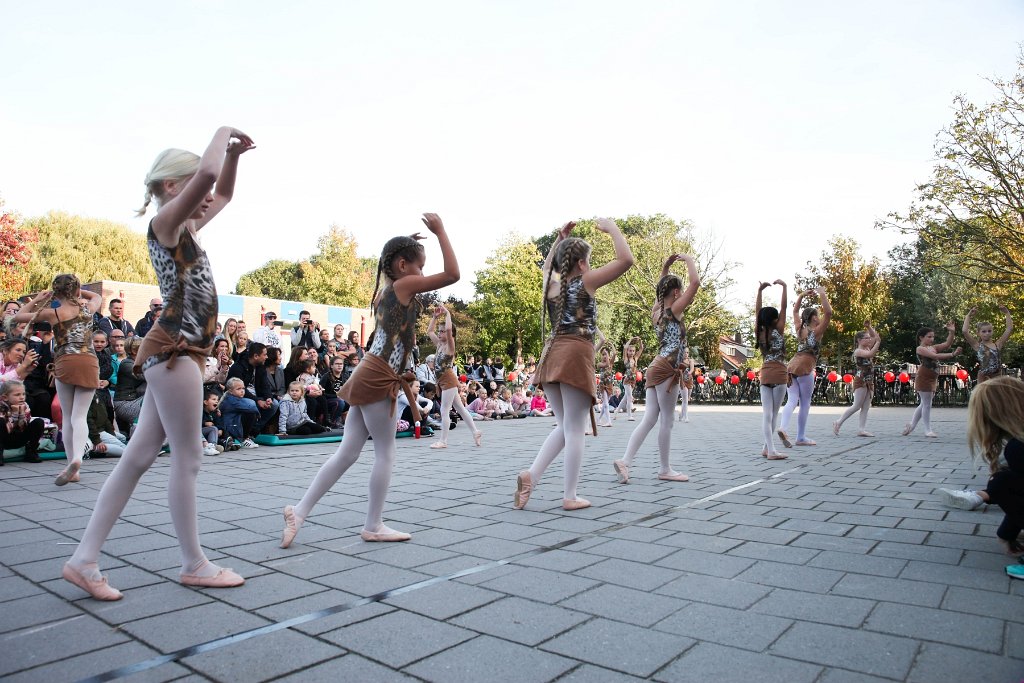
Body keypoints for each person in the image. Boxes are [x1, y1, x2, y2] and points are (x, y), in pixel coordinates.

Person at [63, 126, 255, 601]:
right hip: (175, 350)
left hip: (177, 351)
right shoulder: (165, 225)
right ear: (173, 187)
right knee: (188, 457)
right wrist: (221, 135)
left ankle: (83, 559)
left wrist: (235, 157)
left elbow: (222, 187)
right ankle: (195, 564)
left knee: (138, 457)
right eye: (194, 186)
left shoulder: (186, 227)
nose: (204, 194)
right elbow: (209, 173)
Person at [282, 213, 459, 547]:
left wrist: (402, 251)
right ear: (403, 265)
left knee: (348, 452)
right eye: (419, 267)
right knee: (385, 453)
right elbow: (453, 274)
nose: (422, 274)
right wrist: (441, 231)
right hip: (379, 375)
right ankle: (373, 524)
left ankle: (300, 510)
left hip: (371, 370)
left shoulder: (386, 291)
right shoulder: (404, 285)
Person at [515, 219, 633, 511]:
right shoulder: (585, 282)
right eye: (589, 261)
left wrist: (559, 239)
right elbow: (625, 260)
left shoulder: (552, 286)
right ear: (581, 264)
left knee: (565, 426)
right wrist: (613, 229)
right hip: (575, 354)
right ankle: (570, 495)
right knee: (576, 429)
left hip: (551, 355)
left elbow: (546, 268)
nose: (591, 266)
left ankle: (532, 475)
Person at [612, 254, 698, 486]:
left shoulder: (658, 312)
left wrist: (666, 267)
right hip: (667, 368)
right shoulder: (674, 310)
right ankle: (665, 468)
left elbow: (662, 292)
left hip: (655, 366)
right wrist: (688, 260)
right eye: (679, 290)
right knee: (667, 421)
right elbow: (696, 284)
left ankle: (625, 461)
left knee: (650, 418)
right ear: (677, 293)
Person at [14, 275, 103, 485]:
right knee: (80, 416)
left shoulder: (53, 312)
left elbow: (19, 316)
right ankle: (78, 460)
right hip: (89, 361)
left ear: (57, 292)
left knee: (69, 415)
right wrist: (81, 292)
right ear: (77, 290)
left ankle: (73, 464)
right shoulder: (88, 308)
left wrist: (39, 298)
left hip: (65, 361)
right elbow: (97, 295)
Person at [938, 377, 1024, 571]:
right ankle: (978, 496)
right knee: (1004, 480)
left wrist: (1007, 532)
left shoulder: (1018, 449)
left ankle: (978, 496)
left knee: (1001, 482)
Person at [778, 287, 832, 448]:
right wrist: (822, 293)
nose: (820, 317)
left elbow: (795, 312)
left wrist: (801, 295)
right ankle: (801, 437)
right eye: (818, 315)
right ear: (814, 318)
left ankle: (783, 427)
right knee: (806, 402)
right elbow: (829, 313)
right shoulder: (816, 332)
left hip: (792, 365)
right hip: (806, 365)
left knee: (792, 399)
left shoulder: (800, 329)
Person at [426, 305, 480, 449]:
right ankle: (475, 431)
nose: (440, 333)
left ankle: (443, 441)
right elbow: (429, 331)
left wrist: (448, 313)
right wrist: (435, 317)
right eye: (440, 331)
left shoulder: (450, 346)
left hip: (448, 380)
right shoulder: (439, 345)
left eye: (442, 331)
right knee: (461, 409)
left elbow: (449, 330)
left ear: (450, 335)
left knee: (444, 410)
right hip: (443, 381)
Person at [903, 323, 961, 438]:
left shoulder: (933, 347)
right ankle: (927, 430)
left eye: (933, 337)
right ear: (921, 337)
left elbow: (947, 344)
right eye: (929, 337)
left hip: (932, 378)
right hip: (924, 377)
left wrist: (952, 332)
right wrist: (953, 354)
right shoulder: (920, 349)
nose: (932, 339)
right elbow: (935, 357)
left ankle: (912, 426)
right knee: (927, 404)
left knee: (924, 404)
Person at [754, 280, 789, 459]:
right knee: (774, 414)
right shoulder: (779, 329)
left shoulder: (759, 331)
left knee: (766, 414)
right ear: (775, 319)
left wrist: (759, 291)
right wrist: (785, 287)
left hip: (765, 373)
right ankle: (771, 451)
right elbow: (784, 308)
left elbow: (757, 311)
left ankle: (767, 448)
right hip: (780, 373)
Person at [833, 322, 881, 437]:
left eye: (868, 338)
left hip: (869, 380)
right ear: (859, 340)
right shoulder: (858, 351)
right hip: (861, 380)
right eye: (866, 338)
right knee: (856, 406)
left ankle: (861, 429)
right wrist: (878, 342)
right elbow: (870, 353)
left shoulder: (868, 346)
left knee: (866, 406)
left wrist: (869, 327)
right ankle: (838, 422)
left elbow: (874, 337)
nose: (869, 340)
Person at [963, 305, 1013, 383]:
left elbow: (1009, 329)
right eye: (984, 331)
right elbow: (965, 331)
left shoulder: (997, 345)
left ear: (992, 331)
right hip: (983, 377)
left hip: (997, 376)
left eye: (989, 331)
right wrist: (968, 316)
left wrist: (1007, 313)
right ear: (978, 333)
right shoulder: (977, 346)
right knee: (983, 394)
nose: (987, 333)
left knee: (996, 394)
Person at [0, 379, 45, 465]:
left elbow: (23, 427)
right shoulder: (1, 406)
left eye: (23, 394)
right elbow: (7, 429)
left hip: (18, 437)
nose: (22, 397)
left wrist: (21, 415)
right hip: (4, 439)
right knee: (0, 421)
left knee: (38, 422)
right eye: (17, 395)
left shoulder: (24, 405)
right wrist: (15, 414)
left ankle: (31, 452)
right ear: (5, 397)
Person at [595, 341, 616, 428]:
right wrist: (607, 356)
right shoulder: (599, 364)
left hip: (610, 385)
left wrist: (611, 345)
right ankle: (609, 421)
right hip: (603, 385)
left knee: (605, 404)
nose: (604, 356)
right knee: (606, 404)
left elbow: (615, 353)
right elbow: (606, 364)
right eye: (603, 354)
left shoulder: (611, 363)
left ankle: (598, 419)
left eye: (606, 354)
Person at [677, 347, 695, 423]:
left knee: (687, 399)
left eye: (687, 352)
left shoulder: (690, 360)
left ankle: (681, 414)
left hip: (689, 380)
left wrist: (689, 373)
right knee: (685, 400)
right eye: (684, 352)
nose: (686, 354)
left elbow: (692, 369)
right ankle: (686, 417)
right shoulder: (679, 361)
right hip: (681, 381)